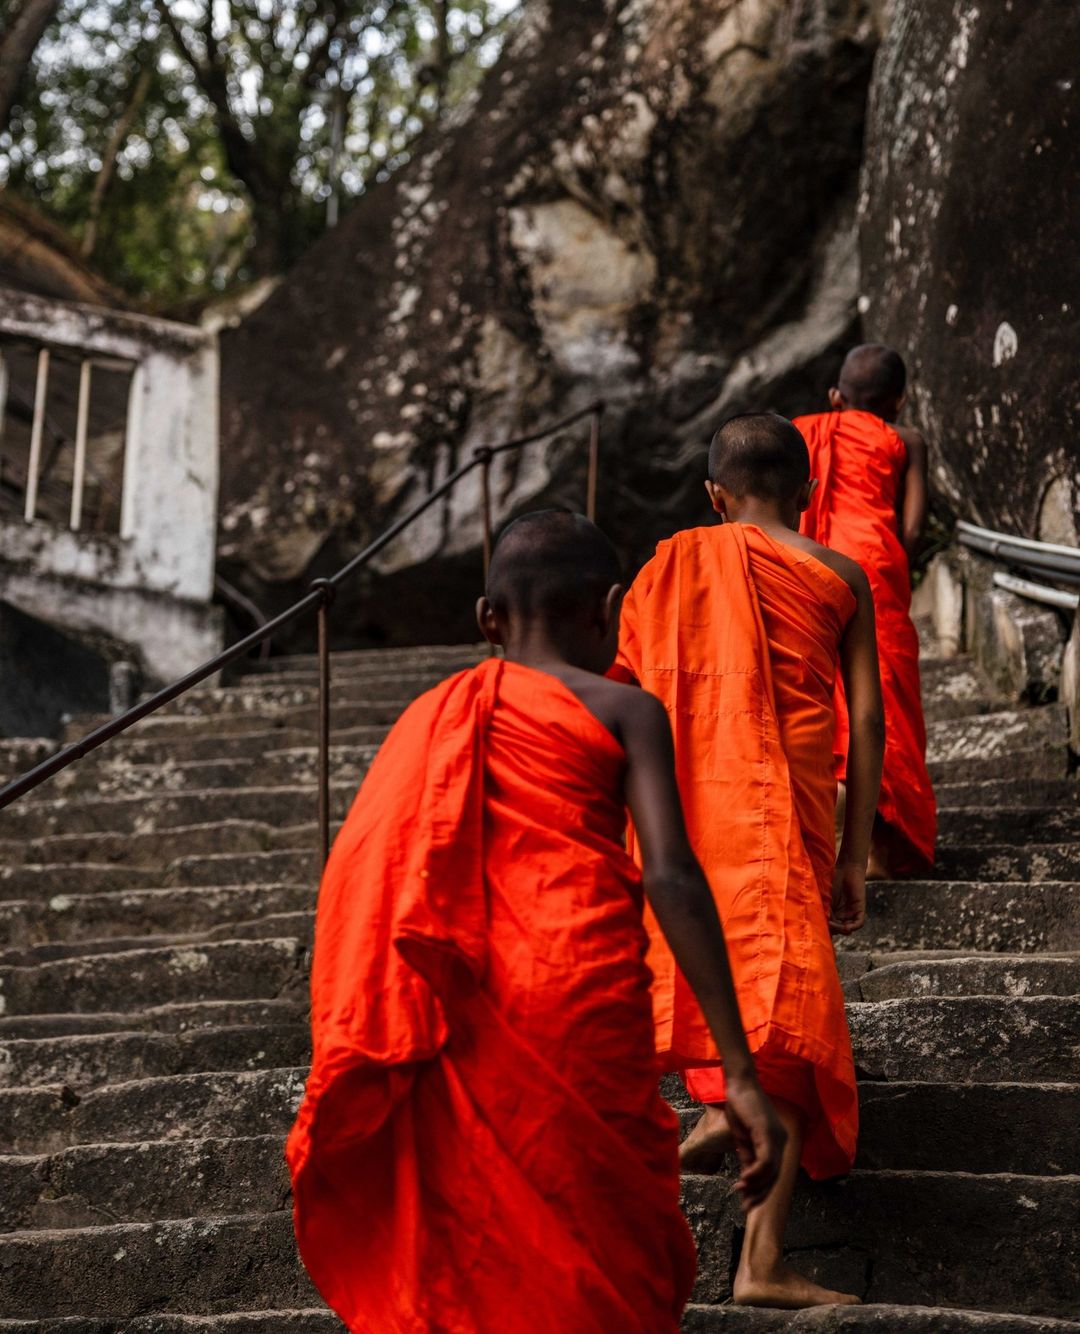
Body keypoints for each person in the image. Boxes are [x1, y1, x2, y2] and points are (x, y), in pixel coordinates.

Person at [286, 510, 786, 1334]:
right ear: (612, 606)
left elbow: (366, 875)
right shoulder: (628, 710)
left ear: (488, 620)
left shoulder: (433, 719)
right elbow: (671, 874)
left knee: (485, 1247)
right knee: (601, 1236)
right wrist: (737, 1071)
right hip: (583, 996)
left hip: (473, 1012)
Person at [611, 414, 885, 1310]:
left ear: (713, 495)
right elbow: (868, 718)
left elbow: (626, 693)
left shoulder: (663, 570)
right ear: (808, 495)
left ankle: (719, 1119)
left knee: (752, 985)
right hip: (794, 800)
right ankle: (761, 1262)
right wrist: (857, 855)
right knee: (793, 1024)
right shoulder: (839, 573)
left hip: (695, 799)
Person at [794, 344, 937, 876]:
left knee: (819, 697)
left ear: (835, 397)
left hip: (809, 572)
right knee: (883, 699)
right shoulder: (906, 439)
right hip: (873, 570)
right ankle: (879, 849)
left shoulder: (803, 431)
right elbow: (915, 528)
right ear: (900, 401)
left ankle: (822, 827)